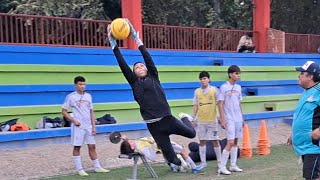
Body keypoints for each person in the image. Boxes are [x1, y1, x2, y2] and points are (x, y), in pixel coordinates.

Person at [107, 19, 196, 170]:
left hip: (168, 119)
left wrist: (136, 38)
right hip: (154, 126)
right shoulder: (134, 82)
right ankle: (182, 164)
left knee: (192, 134)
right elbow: (122, 63)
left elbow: (147, 57)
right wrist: (113, 44)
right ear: (134, 72)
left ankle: (185, 117)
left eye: (142, 66)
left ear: (147, 69)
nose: (140, 67)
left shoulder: (153, 76)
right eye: (136, 67)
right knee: (171, 158)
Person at [62, 76, 110, 176]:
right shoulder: (70, 97)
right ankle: (80, 169)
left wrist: (94, 126)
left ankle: (97, 167)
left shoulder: (88, 96)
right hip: (78, 127)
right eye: (80, 84)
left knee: (92, 146)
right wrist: (73, 120)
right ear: (75, 85)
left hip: (88, 126)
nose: (82, 86)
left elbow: (91, 112)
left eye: (84, 84)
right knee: (77, 147)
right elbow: (64, 111)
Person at [287, 61, 320, 180]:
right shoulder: (307, 91)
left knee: (312, 177)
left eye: (301, 73)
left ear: (310, 76)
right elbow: (302, 115)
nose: (298, 75)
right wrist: (294, 134)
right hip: (306, 146)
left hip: (314, 146)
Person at [120, 136, 204, 174]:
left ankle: (173, 167)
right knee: (183, 151)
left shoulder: (135, 145)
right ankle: (194, 168)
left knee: (168, 154)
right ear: (131, 146)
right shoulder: (142, 149)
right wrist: (152, 145)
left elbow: (130, 144)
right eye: (129, 142)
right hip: (163, 144)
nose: (131, 140)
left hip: (161, 142)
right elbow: (153, 158)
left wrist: (124, 139)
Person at [191, 71, 222, 170]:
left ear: (209, 79)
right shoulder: (197, 91)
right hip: (201, 121)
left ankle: (220, 162)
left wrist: (221, 117)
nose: (203, 80)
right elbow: (195, 105)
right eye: (201, 79)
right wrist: (193, 117)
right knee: (202, 141)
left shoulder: (214, 90)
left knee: (215, 141)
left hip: (212, 120)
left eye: (204, 78)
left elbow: (219, 104)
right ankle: (203, 162)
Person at [218, 65, 243, 175]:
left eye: (238, 73)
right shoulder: (224, 87)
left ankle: (233, 165)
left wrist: (242, 118)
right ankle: (222, 166)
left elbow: (239, 103)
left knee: (236, 141)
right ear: (230, 74)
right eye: (236, 73)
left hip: (238, 118)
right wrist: (223, 119)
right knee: (230, 142)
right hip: (229, 118)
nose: (238, 75)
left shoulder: (238, 88)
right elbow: (220, 103)